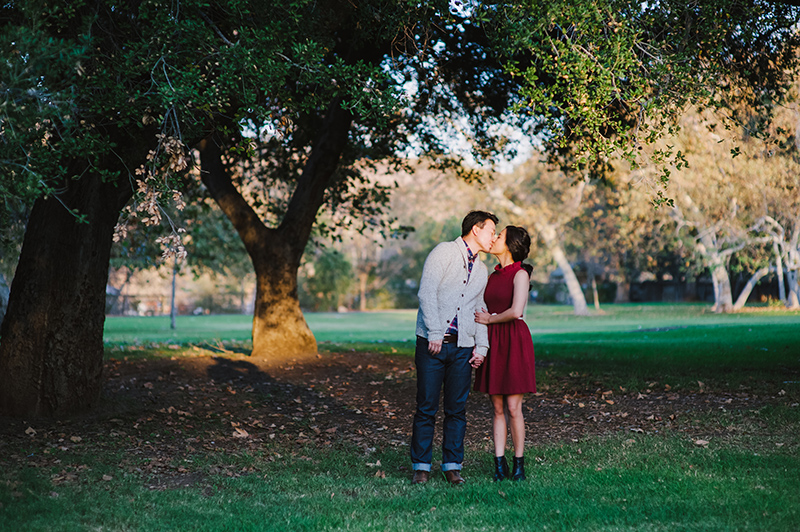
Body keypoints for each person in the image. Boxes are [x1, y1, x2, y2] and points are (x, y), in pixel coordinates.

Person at [410, 210, 498, 485]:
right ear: (475, 229)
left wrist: (481, 346)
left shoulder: (482, 269)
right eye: (492, 231)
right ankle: (421, 467)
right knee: (426, 407)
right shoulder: (444, 252)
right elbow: (427, 292)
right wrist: (435, 332)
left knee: (456, 410)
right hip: (432, 345)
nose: (494, 237)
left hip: (462, 349)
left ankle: (452, 466)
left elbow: (478, 308)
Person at [474, 225, 536, 481]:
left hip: (513, 339)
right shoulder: (491, 275)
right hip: (494, 341)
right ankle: (499, 465)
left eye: (499, 236)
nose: (495, 238)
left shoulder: (520, 274)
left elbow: (516, 311)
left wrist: (489, 320)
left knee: (513, 407)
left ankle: (518, 464)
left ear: (509, 245)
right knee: (497, 407)